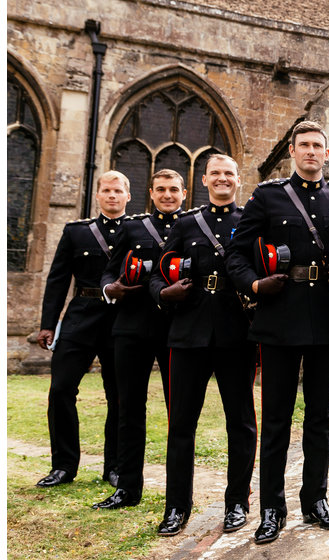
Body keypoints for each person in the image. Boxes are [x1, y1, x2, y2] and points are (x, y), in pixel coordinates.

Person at [225, 120, 329, 544]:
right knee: (277, 419)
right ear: (292, 152)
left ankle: (315, 500)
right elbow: (236, 255)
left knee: (321, 417)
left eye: (318, 145)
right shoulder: (268, 197)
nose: (312, 152)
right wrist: (255, 286)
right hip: (278, 317)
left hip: (325, 317)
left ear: (326, 153)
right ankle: (271, 509)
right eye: (304, 145)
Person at [150, 154, 257, 536]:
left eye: (229, 173)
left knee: (241, 423)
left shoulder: (249, 220)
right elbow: (158, 272)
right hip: (188, 332)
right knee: (181, 425)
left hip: (235, 332)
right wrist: (164, 293)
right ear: (205, 180)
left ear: (237, 179)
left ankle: (237, 504)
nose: (222, 179)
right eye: (216, 173)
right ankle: (177, 507)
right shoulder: (185, 223)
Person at [93, 169, 185, 509]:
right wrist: (109, 288)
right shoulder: (133, 228)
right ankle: (127, 488)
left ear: (184, 193)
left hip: (175, 329)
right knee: (129, 408)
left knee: (180, 412)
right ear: (150, 193)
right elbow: (109, 270)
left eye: (173, 189)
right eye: (160, 189)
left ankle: (176, 498)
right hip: (131, 328)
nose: (167, 195)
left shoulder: (190, 226)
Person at [35, 170, 130, 488]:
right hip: (80, 318)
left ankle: (114, 467)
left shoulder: (139, 231)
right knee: (61, 389)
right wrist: (48, 325)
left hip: (121, 321)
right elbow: (58, 279)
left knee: (118, 396)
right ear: (98, 195)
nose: (112, 195)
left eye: (118, 190)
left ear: (128, 196)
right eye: (106, 190)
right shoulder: (76, 232)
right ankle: (63, 465)